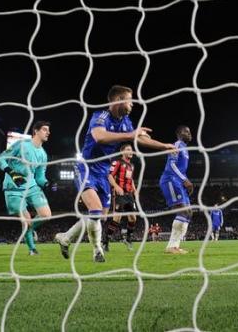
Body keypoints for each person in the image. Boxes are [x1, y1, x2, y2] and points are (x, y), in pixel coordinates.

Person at [55, 85, 174, 262]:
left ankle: (65, 238)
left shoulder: (126, 122)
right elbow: (100, 136)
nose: (133, 104)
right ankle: (97, 251)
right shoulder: (101, 116)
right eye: (130, 100)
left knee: (100, 217)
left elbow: (139, 137)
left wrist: (164, 146)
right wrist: (130, 135)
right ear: (119, 100)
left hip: (103, 172)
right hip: (87, 168)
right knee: (95, 210)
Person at [0, 121, 55, 256]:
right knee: (26, 220)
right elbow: (0, 158)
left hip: (32, 186)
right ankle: (32, 249)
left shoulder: (43, 155)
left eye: (48, 130)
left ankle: (29, 229)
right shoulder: (21, 145)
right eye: (45, 130)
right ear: (36, 131)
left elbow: (40, 177)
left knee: (46, 215)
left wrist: (47, 183)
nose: (48, 132)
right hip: (13, 188)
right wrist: (12, 173)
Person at [160, 126, 194, 254]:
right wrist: (184, 180)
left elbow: (180, 168)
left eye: (189, 131)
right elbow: (172, 165)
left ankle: (176, 246)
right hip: (170, 180)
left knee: (189, 212)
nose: (189, 133)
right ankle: (171, 247)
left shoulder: (185, 148)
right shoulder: (177, 145)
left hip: (178, 182)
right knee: (183, 211)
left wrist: (184, 180)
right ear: (179, 133)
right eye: (186, 131)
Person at [105, 143, 138, 251]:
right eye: (128, 149)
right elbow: (109, 175)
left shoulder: (131, 165)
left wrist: (135, 190)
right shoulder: (117, 162)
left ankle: (128, 239)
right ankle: (106, 241)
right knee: (117, 218)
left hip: (129, 195)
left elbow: (131, 179)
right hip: (119, 194)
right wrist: (116, 187)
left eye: (131, 149)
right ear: (123, 152)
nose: (131, 151)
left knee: (133, 218)